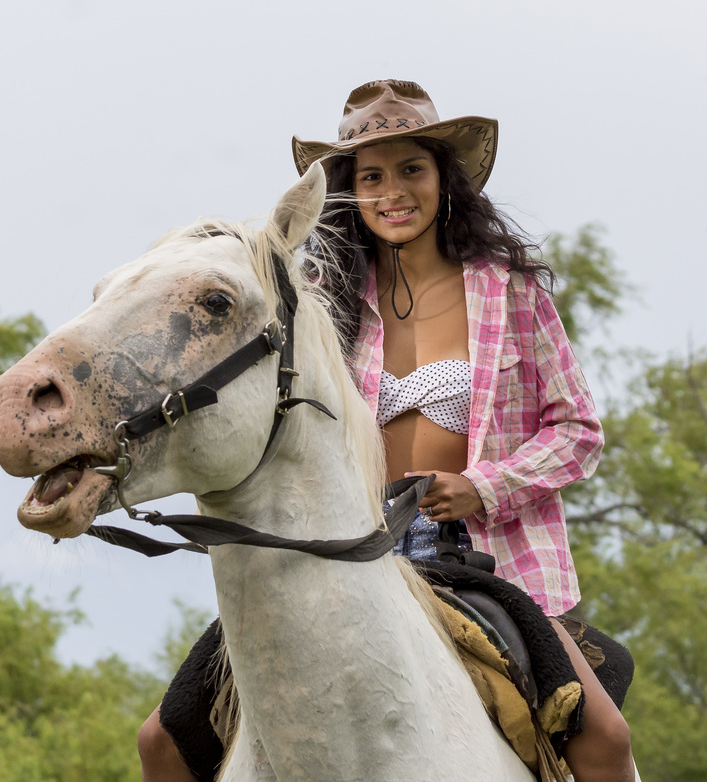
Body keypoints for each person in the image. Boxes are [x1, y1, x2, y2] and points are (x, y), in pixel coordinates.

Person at [139, 80, 633, 782]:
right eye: (371, 175)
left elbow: (578, 429)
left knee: (605, 740)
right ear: (349, 190)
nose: (392, 191)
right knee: (162, 740)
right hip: (341, 552)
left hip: (476, 559)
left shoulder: (511, 293)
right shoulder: (321, 306)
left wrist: (480, 486)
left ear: (444, 181)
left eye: (411, 170)